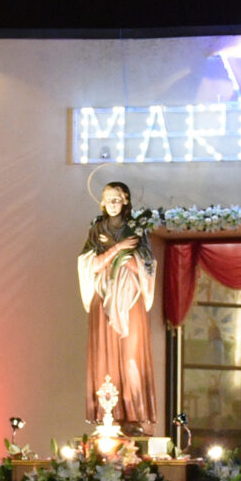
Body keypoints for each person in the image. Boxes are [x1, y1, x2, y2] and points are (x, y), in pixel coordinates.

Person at [77, 181, 157, 432]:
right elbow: (90, 264)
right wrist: (118, 249)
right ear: (101, 202)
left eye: (117, 199)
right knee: (106, 355)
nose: (112, 204)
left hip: (130, 297)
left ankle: (134, 415)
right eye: (107, 199)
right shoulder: (96, 229)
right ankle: (109, 415)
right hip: (104, 297)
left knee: (131, 355)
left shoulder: (136, 229)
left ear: (125, 201)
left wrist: (125, 256)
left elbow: (146, 265)